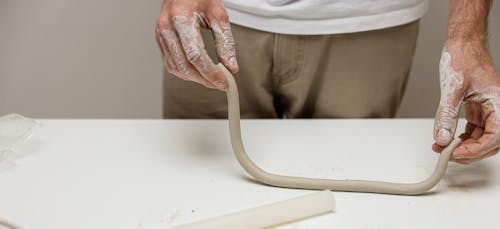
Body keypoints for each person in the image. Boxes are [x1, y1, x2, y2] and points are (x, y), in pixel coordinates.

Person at [155, 0, 500, 164]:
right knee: (197, 190)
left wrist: (467, 38)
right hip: (212, 15)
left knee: (348, 211)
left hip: (367, 22)